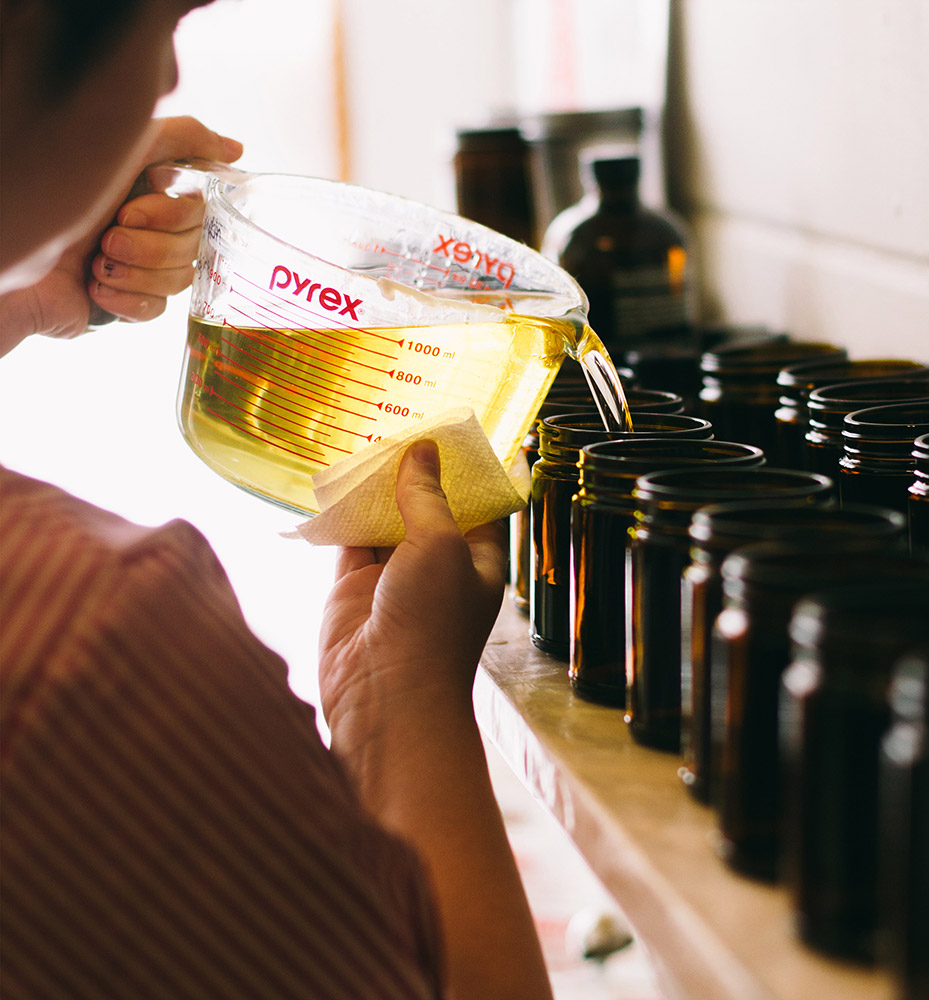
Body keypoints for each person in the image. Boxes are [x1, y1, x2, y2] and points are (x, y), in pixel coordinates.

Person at [0, 2, 554, 998]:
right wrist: (406, 702)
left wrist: (29, 286)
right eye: (155, 21)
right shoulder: (92, 637)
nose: (168, 77)